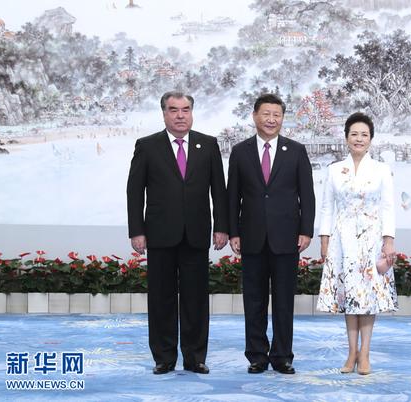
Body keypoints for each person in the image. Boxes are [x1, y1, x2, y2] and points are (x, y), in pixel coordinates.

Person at [126, 91, 228, 375]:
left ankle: (195, 357)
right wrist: (137, 230)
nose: (180, 115)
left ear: (192, 113)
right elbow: (135, 192)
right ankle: (164, 357)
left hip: (196, 234)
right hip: (159, 234)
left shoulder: (207, 145)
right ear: (164, 113)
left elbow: (219, 190)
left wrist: (221, 226)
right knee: (162, 298)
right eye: (174, 110)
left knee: (196, 298)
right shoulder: (147, 146)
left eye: (185, 110)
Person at [228, 93, 315, 375]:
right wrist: (233, 231)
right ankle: (256, 355)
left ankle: (282, 356)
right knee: (253, 300)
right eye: (266, 114)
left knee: (283, 300)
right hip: (251, 236)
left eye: (276, 114)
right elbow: (233, 197)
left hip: (287, 237)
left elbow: (307, 195)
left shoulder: (297, 150)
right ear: (255, 116)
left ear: (282, 118)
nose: (271, 119)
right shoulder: (240, 152)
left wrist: (306, 230)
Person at [316, 112, 398, 375]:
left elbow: (388, 208)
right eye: (354, 134)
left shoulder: (381, 169)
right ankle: (351, 354)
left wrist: (388, 241)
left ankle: (365, 354)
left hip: (372, 240)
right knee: (349, 297)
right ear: (346, 138)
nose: (359, 139)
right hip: (343, 240)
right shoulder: (334, 170)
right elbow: (327, 208)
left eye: (364, 134)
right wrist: (325, 240)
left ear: (371, 139)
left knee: (368, 297)